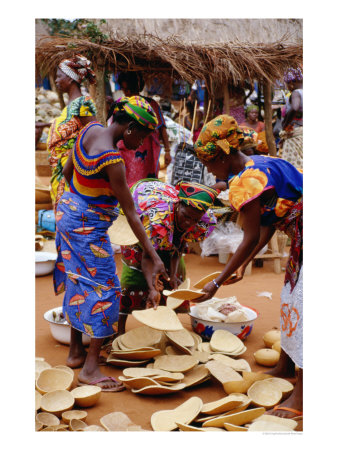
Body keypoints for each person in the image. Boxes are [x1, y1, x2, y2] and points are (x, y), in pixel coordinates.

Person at [53, 96, 168, 391]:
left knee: (77, 279)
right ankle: (90, 369)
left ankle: (76, 352)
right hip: (87, 229)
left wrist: (82, 202)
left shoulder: (88, 130)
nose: (141, 143)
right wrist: (153, 255)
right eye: (141, 136)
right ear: (129, 128)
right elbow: (131, 213)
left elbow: (67, 174)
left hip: (67, 215)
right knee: (107, 289)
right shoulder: (112, 160)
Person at [194, 115, 303, 418]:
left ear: (222, 155)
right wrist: (244, 263)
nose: (208, 169)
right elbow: (267, 222)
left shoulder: (248, 180)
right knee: (291, 299)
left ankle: (302, 396)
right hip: (301, 234)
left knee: (306, 307)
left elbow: (251, 234)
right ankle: (285, 366)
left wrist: (216, 283)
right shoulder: (256, 163)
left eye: (208, 162)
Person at [118, 179, 219, 335]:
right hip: (140, 224)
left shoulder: (200, 222)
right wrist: (152, 287)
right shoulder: (157, 217)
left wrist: (172, 275)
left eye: (195, 220)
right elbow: (146, 258)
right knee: (133, 275)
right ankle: (119, 331)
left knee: (177, 277)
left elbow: (178, 246)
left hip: (166, 232)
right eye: (186, 216)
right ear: (178, 205)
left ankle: (168, 326)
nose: (189, 222)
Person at [46, 54, 97, 212]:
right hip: (60, 172)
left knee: (72, 217)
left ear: (69, 78)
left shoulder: (82, 104)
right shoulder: (71, 105)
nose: (56, 81)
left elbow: (95, 134)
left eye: (59, 76)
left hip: (72, 173)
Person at [107, 72, 172, 185]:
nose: (127, 93)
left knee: (144, 185)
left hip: (146, 157)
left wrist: (167, 151)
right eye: (125, 90)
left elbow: (162, 128)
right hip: (125, 154)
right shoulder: (121, 105)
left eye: (130, 90)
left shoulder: (150, 106)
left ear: (137, 87)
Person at [279, 67, 303, 168]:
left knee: (294, 165)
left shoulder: (296, 93)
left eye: (287, 84)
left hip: (295, 133)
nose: (287, 87)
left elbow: (294, 108)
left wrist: (285, 123)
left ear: (291, 83)